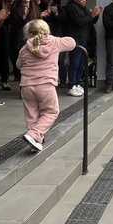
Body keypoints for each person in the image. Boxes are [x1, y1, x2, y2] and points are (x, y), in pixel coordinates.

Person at [17, 19, 76, 151]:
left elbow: (19, 65)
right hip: (46, 85)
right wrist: (53, 38)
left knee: (32, 114)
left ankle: (35, 141)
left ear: (28, 33)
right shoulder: (54, 42)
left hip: (26, 86)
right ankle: (34, 135)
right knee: (51, 112)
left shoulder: (24, 49)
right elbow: (72, 43)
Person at [64, 0, 101, 96]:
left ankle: (77, 83)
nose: (84, 1)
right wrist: (92, 15)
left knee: (81, 64)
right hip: (75, 39)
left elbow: (91, 20)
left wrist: (96, 15)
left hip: (83, 39)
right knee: (74, 63)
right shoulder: (71, 8)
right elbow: (79, 22)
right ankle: (71, 85)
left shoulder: (83, 8)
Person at [6, 0, 40, 81]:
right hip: (20, 39)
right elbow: (14, 24)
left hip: (34, 39)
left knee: (34, 64)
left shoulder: (35, 8)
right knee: (22, 65)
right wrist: (23, 17)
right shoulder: (15, 9)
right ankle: (23, 88)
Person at [41, 0, 67, 87]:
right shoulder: (39, 7)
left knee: (60, 60)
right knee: (46, 59)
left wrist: (55, 13)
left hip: (57, 35)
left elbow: (63, 18)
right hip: (44, 36)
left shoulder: (58, 6)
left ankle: (63, 81)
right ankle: (47, 80)